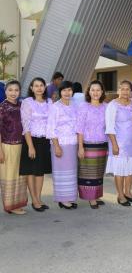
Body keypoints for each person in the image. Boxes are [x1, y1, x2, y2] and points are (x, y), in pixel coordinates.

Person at [105, 80, 132, 206]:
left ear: (131, 91)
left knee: (130, 168)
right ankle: (120, 195)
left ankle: (128, 192)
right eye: (123, 89)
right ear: (118, 90)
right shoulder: (112, 105)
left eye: (128, 89)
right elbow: (109, 126)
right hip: (118, 143)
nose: (125, 91)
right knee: (119, 170)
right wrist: (114, 144)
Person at [20, 77, 52, 212]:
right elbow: (25, 125)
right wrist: (30, 146)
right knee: (31, 171)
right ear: (31, 88)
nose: (39, 88)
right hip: (31, 140)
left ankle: (39, 198)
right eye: (36, 86)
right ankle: (34, 200)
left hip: (45, 141)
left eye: (41, 85)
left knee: (40, 171)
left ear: (45, 87)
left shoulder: (49, 102)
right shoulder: (27, 102)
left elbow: (52, 123)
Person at [46, 80, 78, 209]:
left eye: (69, 90)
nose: (67, 92)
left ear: (72, 92)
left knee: (71, 172)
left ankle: (69, 197)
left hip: (72, 143)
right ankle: (63, 199)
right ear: (60, 92)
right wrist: (57, 146)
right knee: (61, 172)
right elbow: (51, 128)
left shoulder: (75, 105)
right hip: (60, 144)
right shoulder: (55, 107)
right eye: (64, 90)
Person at [77, 80, 108, 209]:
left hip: (102, 144)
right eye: (93, 90)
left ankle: (97, 195)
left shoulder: (106, 107)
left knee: (99, 172)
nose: (95, 92)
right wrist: (80, 147)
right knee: (89, 173)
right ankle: (91, 198)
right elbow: (79, 128)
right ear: (89, 92)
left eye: (98, 90)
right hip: (88, 145)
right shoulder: (83, 107)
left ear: (102, 92)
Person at [0, 80, 28, 215]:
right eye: (10, 90)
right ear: (5, 91)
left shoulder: (22, 106)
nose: (13, 93)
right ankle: (10, 205)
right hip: (7, 147)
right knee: (9, 176)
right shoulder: (2, 107)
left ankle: (17, 204)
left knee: (20, 177)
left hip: (22, 146)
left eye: (16, 90)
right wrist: (0, 151)